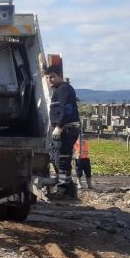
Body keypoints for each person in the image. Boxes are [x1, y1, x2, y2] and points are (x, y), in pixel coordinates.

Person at [45, 64, 80, 198]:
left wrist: (59, 127)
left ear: (60, 75)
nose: (50, 80)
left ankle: (64, 191)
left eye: (53, 77)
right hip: (64, 129)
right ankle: (69, 188)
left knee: (62, 159)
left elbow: (67, 109)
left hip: (66, 129)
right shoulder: (59, 89)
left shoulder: (64, 89)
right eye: (48, 77)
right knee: (56, 156)